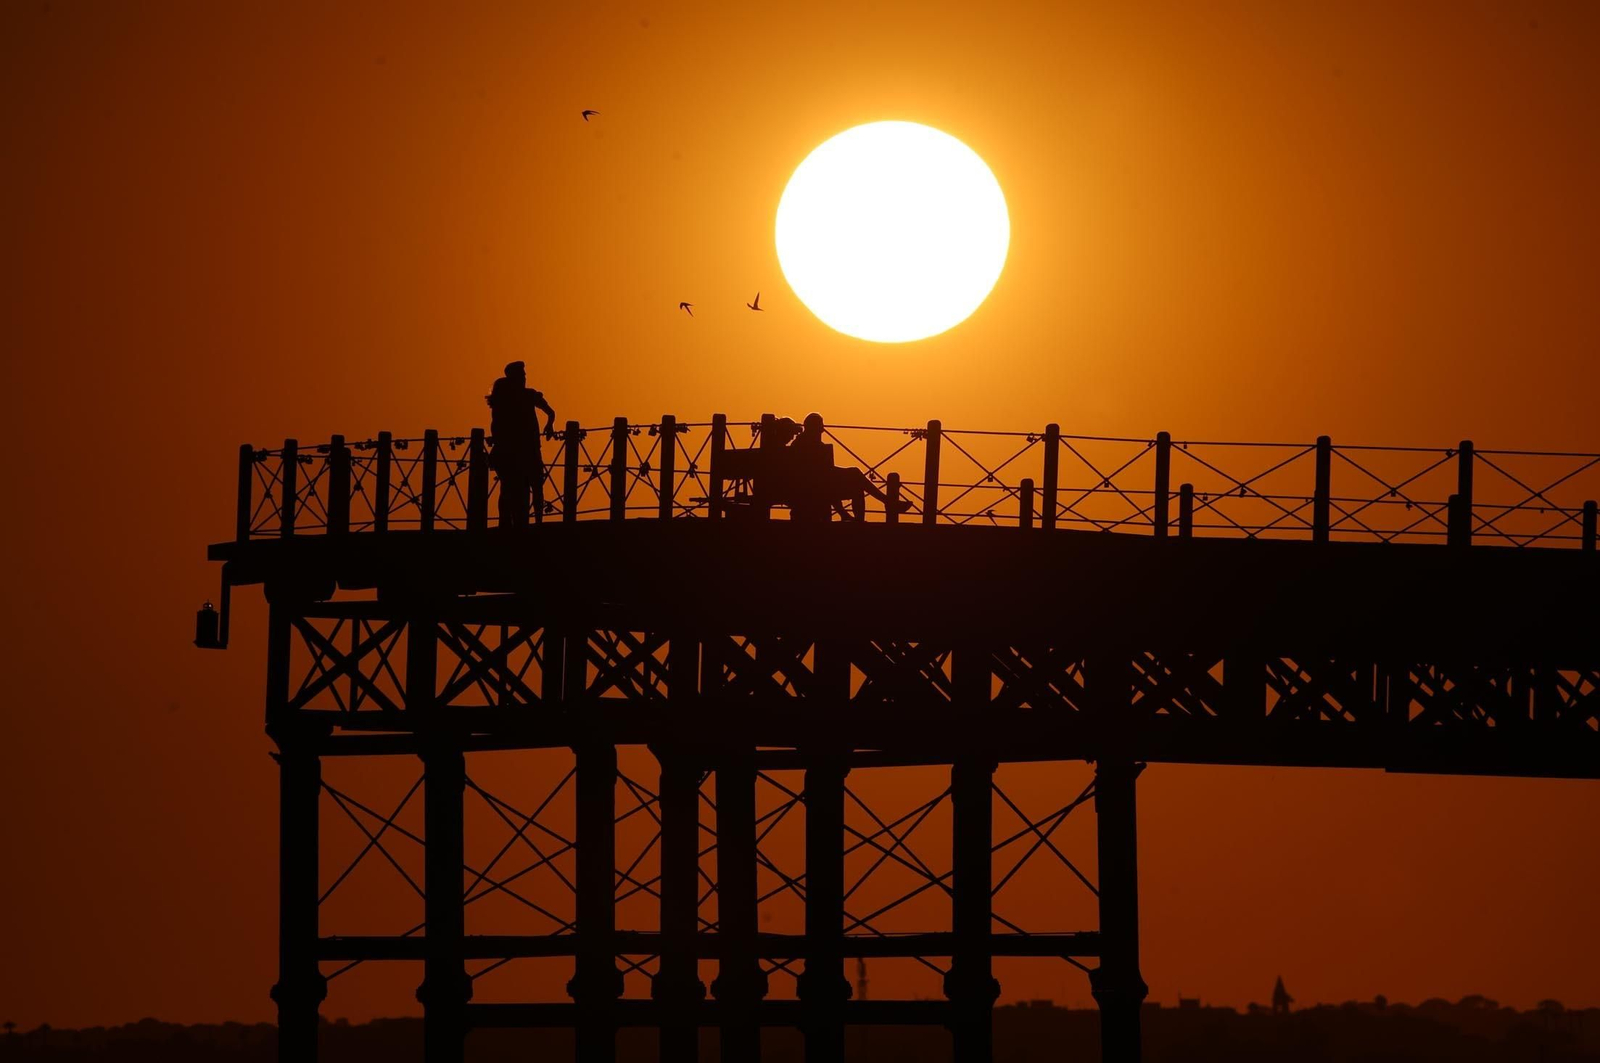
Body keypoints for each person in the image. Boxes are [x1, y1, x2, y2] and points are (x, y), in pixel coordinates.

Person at [789, 412, 910, 520]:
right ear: (814, 427)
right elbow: (823, 472)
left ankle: (860, 518)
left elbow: (825, 473)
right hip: (816, 488)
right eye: (821, 426)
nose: (823, 430)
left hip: (820, 486)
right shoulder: (809, 445)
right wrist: (848, 473)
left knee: (856, 485)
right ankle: (888, 503)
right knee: (855, 474)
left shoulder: (802, 443)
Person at [486, 361, 556, 527]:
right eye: (521, 376)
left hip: (516, 450)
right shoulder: (515, 398)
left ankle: (510, 523)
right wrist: (550, 423)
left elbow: (495, 427)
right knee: (529, 487)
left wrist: (550, 423)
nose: (524, 378)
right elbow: (551, 412)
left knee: (513, 488)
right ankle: (531, 521)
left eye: (524, 375)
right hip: (522, 451)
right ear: (513, 378)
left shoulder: (512, 398)